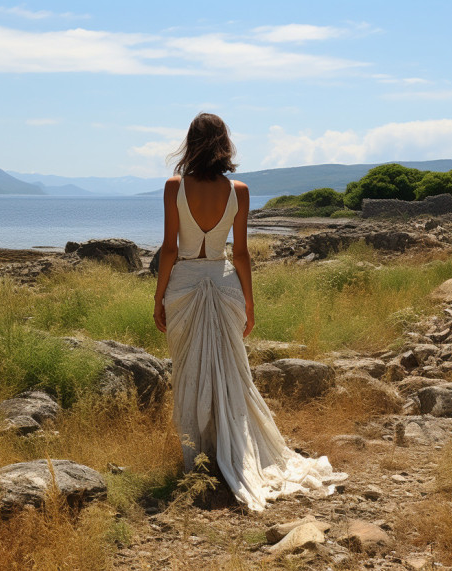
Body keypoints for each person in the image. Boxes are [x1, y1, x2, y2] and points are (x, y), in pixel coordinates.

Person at [153, 113, 346, 512]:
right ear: (224, 143)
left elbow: (170, 248)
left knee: (190, 372)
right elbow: (240, 253)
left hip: (184, 285)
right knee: (233, 375)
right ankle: (235, 454)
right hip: (225, 285)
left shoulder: (175, 186)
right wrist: (250, 302)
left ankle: (200, 457)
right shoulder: (239, 191)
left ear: (191, 142)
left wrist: (158, 298)